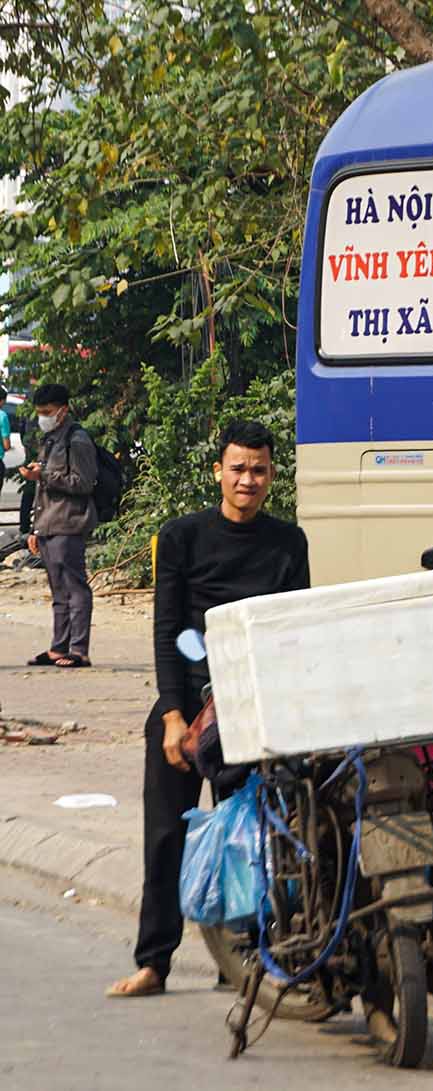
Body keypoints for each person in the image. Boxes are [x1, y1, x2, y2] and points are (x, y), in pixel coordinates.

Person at [106, 419, 310, 998]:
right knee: (166, 838)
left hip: (251, 710)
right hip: (188, 710)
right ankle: (153, 963)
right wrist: (172, 714)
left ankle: (238, 960)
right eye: (238, 468)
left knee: (247, 841)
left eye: (259, 469)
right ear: (218, 471)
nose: (248, 479)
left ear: (272, 475)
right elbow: (169, 629)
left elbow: (289, 632)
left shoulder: (287, 543)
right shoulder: (181, 537)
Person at [18, 384, 96, 667]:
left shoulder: (77, 440)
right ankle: (58, 647)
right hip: (49, 523)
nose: (43, 417)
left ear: (63, 410)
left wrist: (45, 476)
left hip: (70, 522)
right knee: (58, 592)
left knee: (75, 588)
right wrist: (35, 529)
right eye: (39, 413)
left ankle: (79, 650)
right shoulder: (50, 439)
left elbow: (83, 482)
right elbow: (42, 492)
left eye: (47, 412)